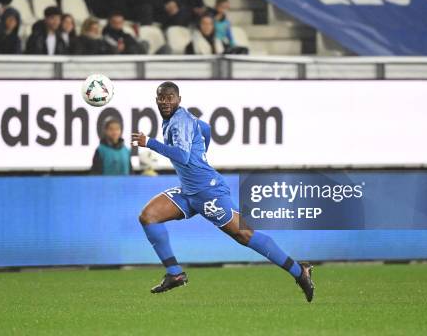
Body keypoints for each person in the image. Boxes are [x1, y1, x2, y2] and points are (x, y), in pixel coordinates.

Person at [132, 82, 315, 300]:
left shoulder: (180, 121)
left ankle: (299, 271)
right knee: (149, 216)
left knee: (244, 234)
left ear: (179, 99)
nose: (165, 102)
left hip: (209, 192)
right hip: (189, 191)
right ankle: (175, 274)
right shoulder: (180, 119)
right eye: (161, 97)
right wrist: (201, 156)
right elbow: (206, 130)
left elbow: (181, 156)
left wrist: (149, 142)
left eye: (169, 97)